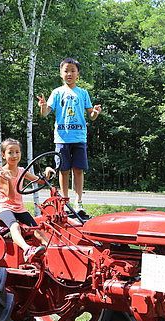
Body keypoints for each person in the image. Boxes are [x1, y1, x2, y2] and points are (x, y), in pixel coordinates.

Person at [37, 57, 102, 212]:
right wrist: (43, 106)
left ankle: (79, 202)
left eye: (73, 70)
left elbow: (91, 115)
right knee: (64, 170)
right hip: (62, 138)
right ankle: (65, 203)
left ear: (78, 74)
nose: (69, 74)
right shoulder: (57, 92)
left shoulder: (83, 93)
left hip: (79, 137)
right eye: (66, 70)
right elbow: (45, 113)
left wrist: (95, 112)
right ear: (61, 73)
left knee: (78, 170)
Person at [0, 138, 53, 263]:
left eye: (17, 152)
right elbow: (10, 196)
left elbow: (40, 181)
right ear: (3, 155)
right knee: (15, 226)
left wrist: (47, 172)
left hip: (19, 207)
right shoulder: (0, 174)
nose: (14, 155)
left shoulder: (21, 170)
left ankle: (52, 251)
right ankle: (27, 249)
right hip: (3, 206)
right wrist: (9, 180)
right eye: (10, 152)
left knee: (37, 229)